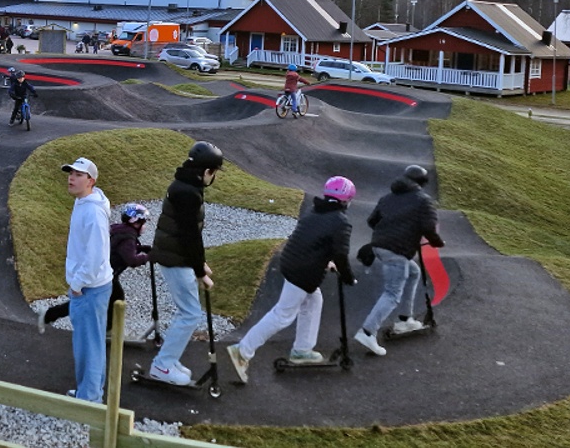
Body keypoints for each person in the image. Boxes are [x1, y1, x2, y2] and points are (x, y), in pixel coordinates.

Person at [227, 177, 357, 384]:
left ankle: (303, 349)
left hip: (292, 264)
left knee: (314, 301)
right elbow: (341, 254)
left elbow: (316, 243)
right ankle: (243, 351)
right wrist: (348, 277)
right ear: (346, 201)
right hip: (303, 272)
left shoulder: (314, 212)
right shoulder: (341, 221)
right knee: (282, 315)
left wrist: (326, 261)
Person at [147, 141, 222, 385]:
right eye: (215, 173)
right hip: (175, 258)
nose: (214, 178)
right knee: (190, 314)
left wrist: (201, 264)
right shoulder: (188, 192)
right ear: (207, 171)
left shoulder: (185, 184)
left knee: (186, 312)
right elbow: (191, 237)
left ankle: (169, 359)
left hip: (175, 255)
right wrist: (200, 270)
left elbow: (190, 234)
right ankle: (162, 365)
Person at [353, 165, 445, 356]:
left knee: (414, 272)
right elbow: (429, 227)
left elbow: (372, 221)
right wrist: (437, 242)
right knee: (392, 293)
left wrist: (392, 228)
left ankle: (405, 319)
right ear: (422, 183)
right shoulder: (423, 201)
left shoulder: (387, 198)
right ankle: (367, 331)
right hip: (396, 250)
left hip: (379, 246)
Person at [38, 203, 152, 335]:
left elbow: (122, 250)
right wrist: (148, 257)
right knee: (87, 302)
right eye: (143, 222)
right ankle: (48, 315)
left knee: (115, 297)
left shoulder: (121, 231)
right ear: (136, 222)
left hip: (104, 273)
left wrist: (142, 249)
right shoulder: (128, 238)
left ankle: (108, 328)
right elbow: (131, 260)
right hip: (102, 276)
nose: (145, 226)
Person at [61, 157, 112, 402]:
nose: (71, 178)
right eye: (71, 173)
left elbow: (95, 255)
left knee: (88, 346)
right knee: (91, 343)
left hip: (89, 289)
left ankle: (89, 399)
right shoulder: (84, 202)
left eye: (78, 175)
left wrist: (77, 284)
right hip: (92, 287)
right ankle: (90, 392)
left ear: (90, 181)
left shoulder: (92, 211)